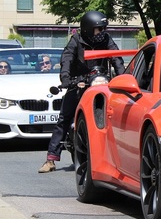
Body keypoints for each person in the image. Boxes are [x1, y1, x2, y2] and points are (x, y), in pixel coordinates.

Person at [39, 11, 125, 173]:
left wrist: (124, 77)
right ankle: (51, 158)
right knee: (64, 117)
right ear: (87, 29)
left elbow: (116, 59)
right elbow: (66, 59)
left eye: (103, 29)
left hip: (100, 81)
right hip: (79, 82)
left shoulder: (107, 39)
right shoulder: (76, 41)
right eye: (98, 29)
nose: (101, 33)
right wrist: (66, 79)